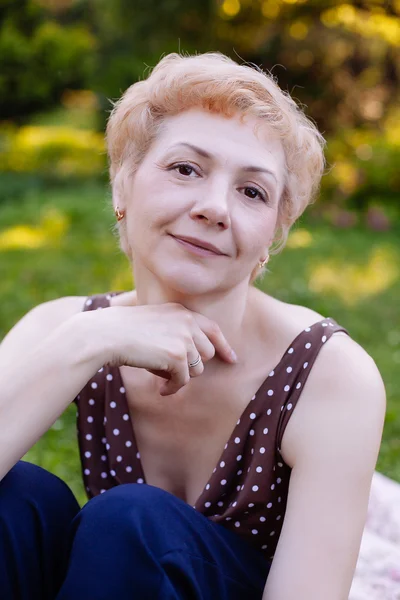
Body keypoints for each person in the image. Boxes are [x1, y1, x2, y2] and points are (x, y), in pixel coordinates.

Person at [0, 52, 386, 600]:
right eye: (186, 169)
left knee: (133, 521)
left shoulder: (327, 375)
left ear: (270, 237)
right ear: (121, 187)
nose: (214, 207)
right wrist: (92, 339)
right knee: (18, 498)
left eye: (252, 192)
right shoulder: (66, 328)